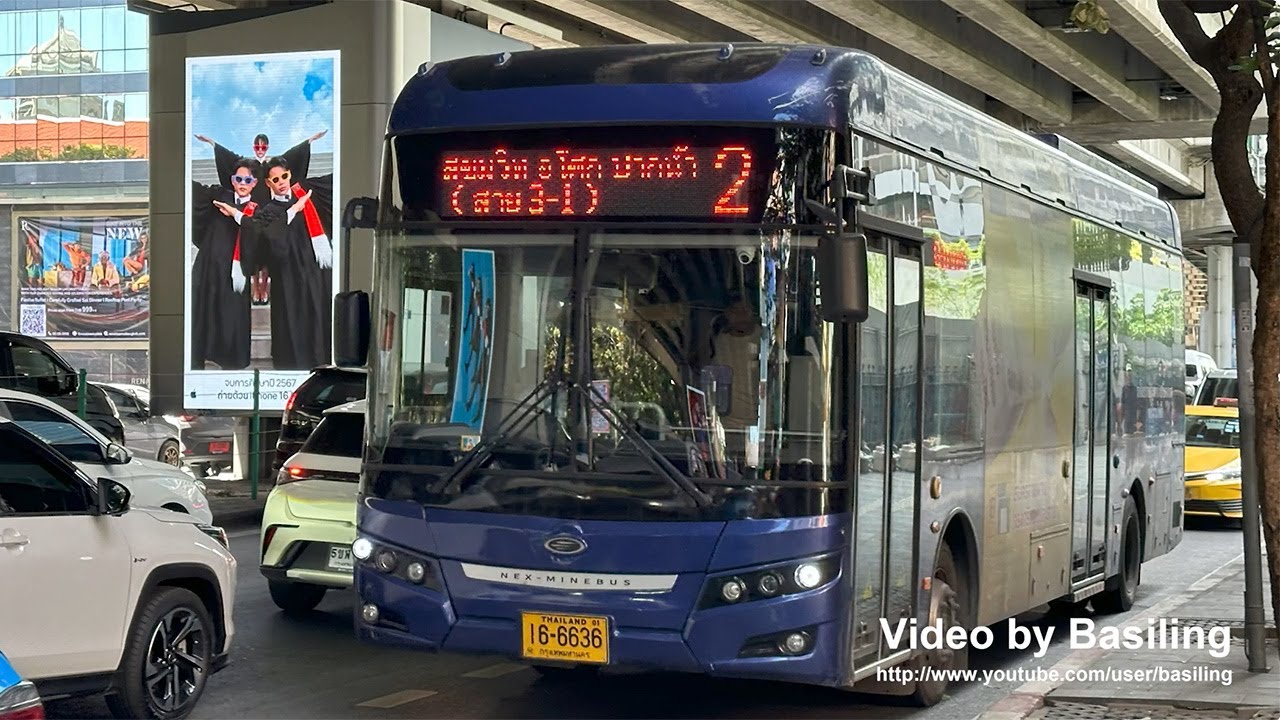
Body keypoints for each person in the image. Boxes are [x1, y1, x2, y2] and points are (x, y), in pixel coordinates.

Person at [249, 156, 334, 370]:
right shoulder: (267, 212)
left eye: (284, 176)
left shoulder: (307, 195)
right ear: (268, 183)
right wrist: (292, 211)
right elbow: (265, 240)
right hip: (289, 280)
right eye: (275, 180)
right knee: (293, 324)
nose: (281, 182)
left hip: (316, 274)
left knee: (320, 320)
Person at [190, 157, 262, 370]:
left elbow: (258, 237)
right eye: (238, 178)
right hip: (209, 269)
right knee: (203, 315)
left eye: (247, 180)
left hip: (235, 274)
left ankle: (231, 365)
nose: (242, 183)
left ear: (254, 183)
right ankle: (200, 359)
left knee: (231, 319)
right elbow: (194, 194)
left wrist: (236, 214)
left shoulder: (257, 211)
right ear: (232, 180)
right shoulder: (219, 196)